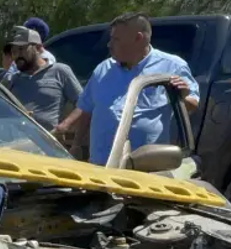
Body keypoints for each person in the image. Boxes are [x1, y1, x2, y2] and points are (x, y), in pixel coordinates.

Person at [53, 12, 198, 166]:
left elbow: (192, 105)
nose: (109, 44)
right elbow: (86, 108)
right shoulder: (103, 69)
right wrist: (75, 145)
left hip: (144, 166)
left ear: (138, 38)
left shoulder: (172, 66)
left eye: (116, 39)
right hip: (101, 163)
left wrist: (181, 97)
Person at [4, 26, 82, 130]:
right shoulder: (12, 80)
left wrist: (65, 125)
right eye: (14, 52)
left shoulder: (59, 71)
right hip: (15, 142)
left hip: (46, 142)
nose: (17, 55)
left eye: (21, 49)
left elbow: (84, 103)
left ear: (37, 48)